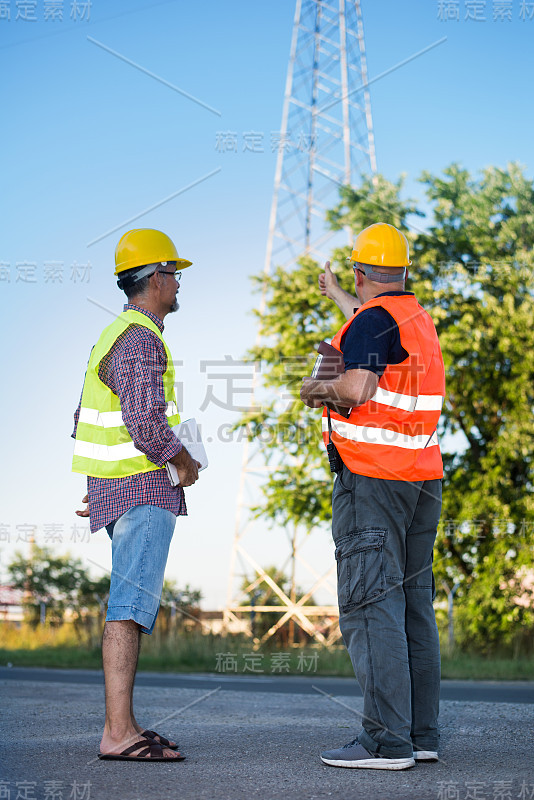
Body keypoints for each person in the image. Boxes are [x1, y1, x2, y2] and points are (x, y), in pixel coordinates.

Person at [300, 222, 445, 770]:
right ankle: (420, 735)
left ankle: (386, 742)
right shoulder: (415, 320)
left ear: (362, 273)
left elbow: (357, 387)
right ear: (402, 273)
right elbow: (374, 331)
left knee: (369, 606)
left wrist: (312, 388)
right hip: (420, 482)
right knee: (412, 609)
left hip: (372, 482)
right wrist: (342, 297)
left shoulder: (370, 323)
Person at [72, 228, 201, 762]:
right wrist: (185, 461)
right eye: (173, 272)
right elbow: (145, 422)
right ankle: (118, 734)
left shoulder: (118, 336)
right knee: (129, 608)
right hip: (143, 491)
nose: (177, 281)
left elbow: (86, 418)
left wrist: (100, 487)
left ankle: (122, 727)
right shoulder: (141, 338)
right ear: (153, 279)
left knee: (131, 605)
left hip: (124, 489)